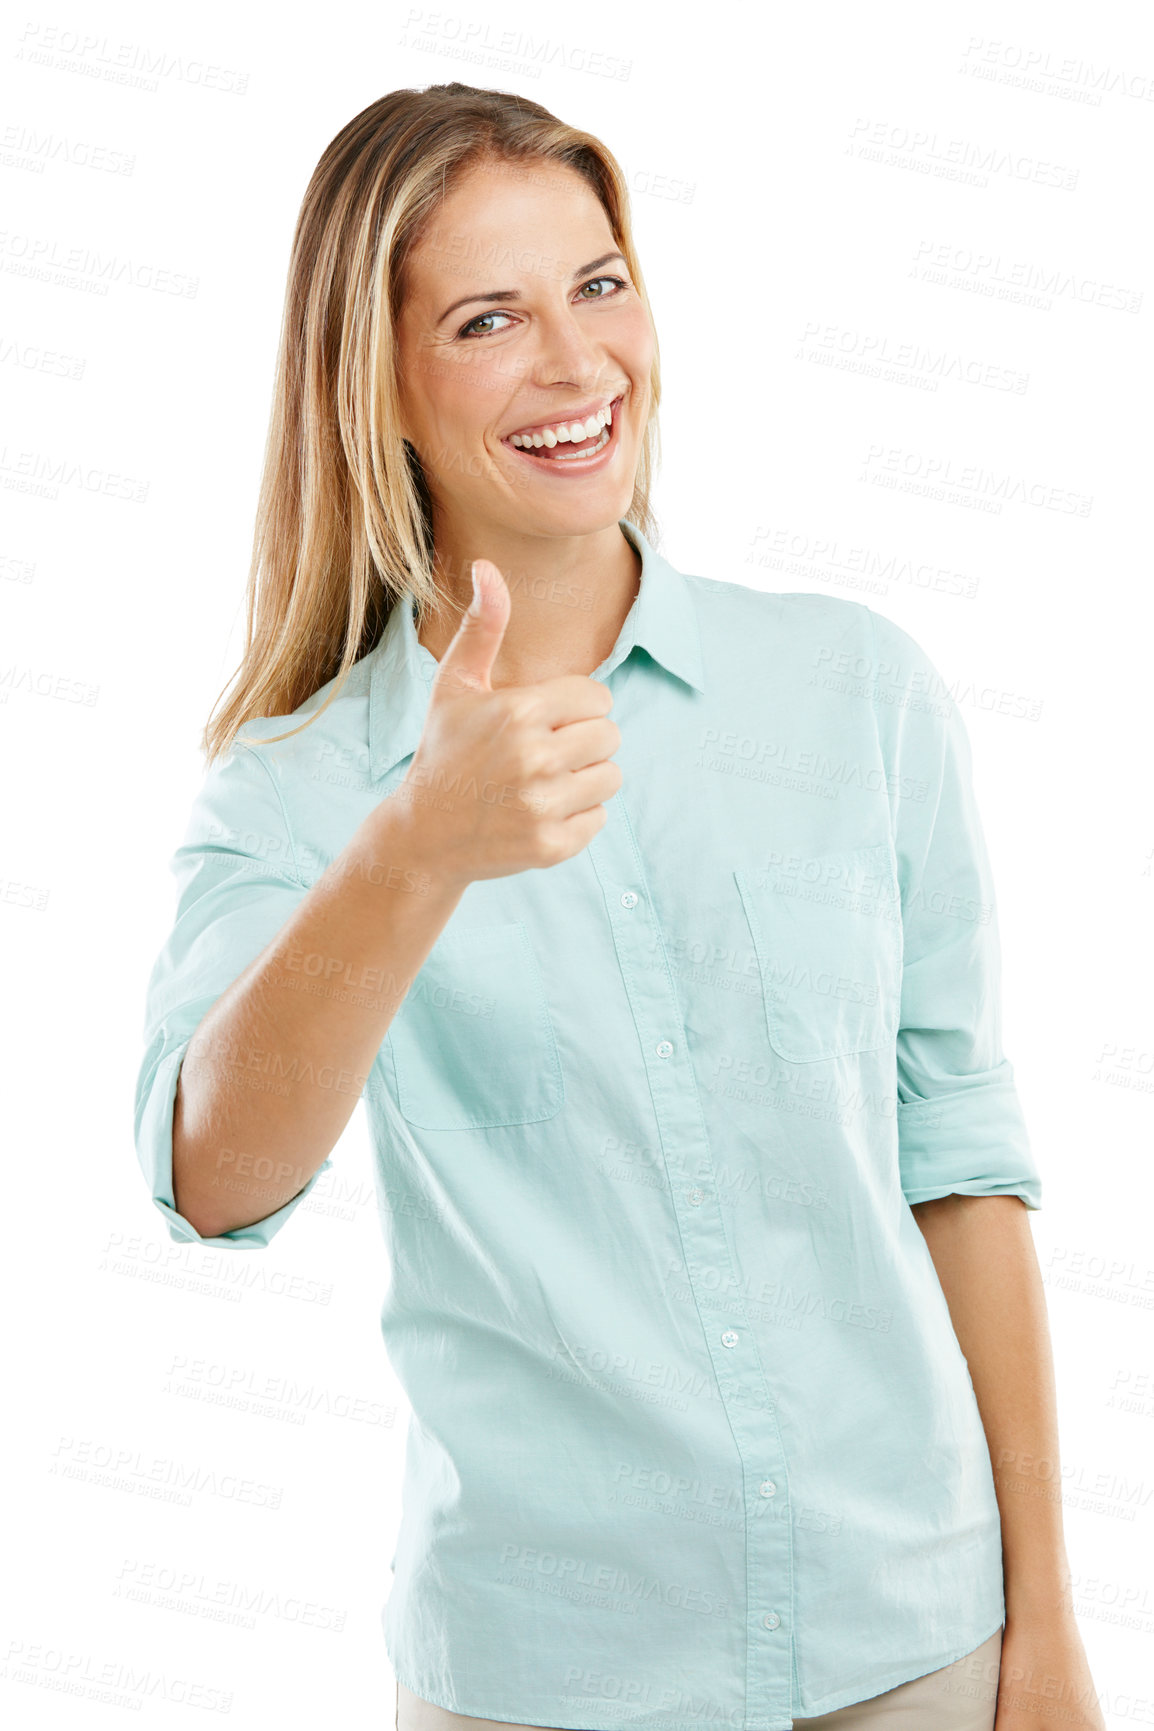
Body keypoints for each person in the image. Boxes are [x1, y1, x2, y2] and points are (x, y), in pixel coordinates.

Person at [133, 84, 1105, 1731]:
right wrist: (415, 850)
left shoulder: (853, 691)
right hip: (544, 1681)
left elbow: (957, 1163)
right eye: (489, 318)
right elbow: (208, 1181)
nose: (578, 368)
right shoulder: (294, 792)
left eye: (598, 286)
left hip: (914, 1640)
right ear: (372, 380)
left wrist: (1046, 1626)